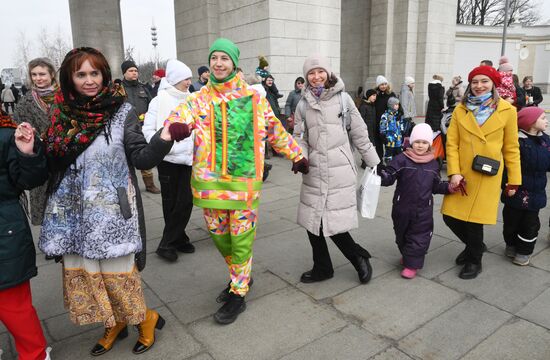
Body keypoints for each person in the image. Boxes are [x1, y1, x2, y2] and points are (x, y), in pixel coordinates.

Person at [38, 47, 188, 355]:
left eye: (95, 73)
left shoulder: (121, 111)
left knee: (119, 278)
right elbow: (50, 165)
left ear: (105, 75)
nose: (89, 80)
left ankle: (145, 319)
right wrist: (29, 151)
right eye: (81, 74)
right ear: (70, 77)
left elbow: (141, 155)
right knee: (91, 278)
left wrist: (165, 137)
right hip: (74, 217)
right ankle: (114, 322)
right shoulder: (59, 113)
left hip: (114, 216)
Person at [165, 38, 306, 325]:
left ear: (234, 63)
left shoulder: (254, 98)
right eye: (214, 57)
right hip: (208, 185)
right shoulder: (197, 98)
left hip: (243, 186)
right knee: (220, 239)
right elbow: (178, 116)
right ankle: (239, 276)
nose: (218, 63)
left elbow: (275, 130)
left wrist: (296, 155)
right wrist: (176, 126)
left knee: (241, 241)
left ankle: (239, 291)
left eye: (224, 58)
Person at [294, 54, 380, 285]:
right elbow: (299, 136)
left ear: (328, 73)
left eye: (320, 71)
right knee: (313, 222)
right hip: (313, 170)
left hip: (339, 169)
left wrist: (373, 161)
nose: (316, 76)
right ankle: (322, 268)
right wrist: (299, 157)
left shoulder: (344, 100)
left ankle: (358, 257)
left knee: (334, 223)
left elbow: (359, 132)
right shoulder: (302, 103)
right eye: (311, 73)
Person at [442, 65, 521, 280]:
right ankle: (475, 246)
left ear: (493, 84)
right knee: (450, 216)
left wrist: (514, 181)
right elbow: (452, 144)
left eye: (484, 81)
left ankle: (474, 260)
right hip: (464, 174)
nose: (479, 86)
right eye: (475, 82)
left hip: (489, 174)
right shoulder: (461, 109)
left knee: (474, 221)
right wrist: (454, 172)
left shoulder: (508, 111)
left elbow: (512, 148)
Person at [0, 117, 51, 360]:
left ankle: (34, 354)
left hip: (4, 228)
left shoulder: (7, 135)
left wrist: (27, 154)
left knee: (12, 302)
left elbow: (31, 180)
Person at [379, 123, 455, 279]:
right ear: (411, 142)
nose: (420, 145)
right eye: (418, 141)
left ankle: (412, 264)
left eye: (424, 142)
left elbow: (436, 185)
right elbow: (390, 175)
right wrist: (381, 176)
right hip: (402, 208)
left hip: (423, 211)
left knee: (419, 236)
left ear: (429, 144)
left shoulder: (433, 164)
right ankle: (407, 255)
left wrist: (449, 188)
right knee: (402, 235)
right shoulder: (401, 160)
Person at [143, 59, 195, 262]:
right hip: (168, 159)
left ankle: (174, 239)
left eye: (190, 78)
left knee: (186, 202)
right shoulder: (159, 100)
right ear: (175, 79)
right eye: (186, 78)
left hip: (190, 159)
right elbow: (147, 130)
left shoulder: (192, 99)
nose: (189, 82)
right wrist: (162, 144)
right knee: (171, 203)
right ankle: (171, 242)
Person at [13, 57, 58, 226]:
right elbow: (18, 125)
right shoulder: (26, 101)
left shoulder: (65, 97)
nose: (38, 78)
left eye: (42, 74)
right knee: (46, 208)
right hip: (40, 161)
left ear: (52, 74)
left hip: (65, 158)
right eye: (34, 74)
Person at [501, 107, 549, 266]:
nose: (547, 121)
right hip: (515, 191)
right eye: (543, 118)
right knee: (510, 222)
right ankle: (511, 244)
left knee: (530, 224)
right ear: (531, 122)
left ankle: (524, 251)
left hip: (536, 192)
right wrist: (506, 184)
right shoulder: (516, 140)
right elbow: (506, 165)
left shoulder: (546, 141)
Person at [120, 59, 161, 194]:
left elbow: (152, 105)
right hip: (124, 128)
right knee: (125, 157)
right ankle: (127, 186)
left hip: (142, 127)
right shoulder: (118, 89)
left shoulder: (144, 88)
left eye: (136, 70)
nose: (134, 73)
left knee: (144, 153)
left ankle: (149, 184)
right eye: (131, 71)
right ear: (124, 73)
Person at [373, 75, 397, 159]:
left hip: (389, 123)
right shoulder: (375, 95)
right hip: (378, 122)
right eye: (381, 84)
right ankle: (379, 161)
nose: (383, 86)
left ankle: (389, 160)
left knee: (389, 142)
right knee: (378, 143)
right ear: (378, 85)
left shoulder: (391, 94)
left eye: (385, 84)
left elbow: (397, 106)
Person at [380, 97, 405, 163]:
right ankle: (389, 167)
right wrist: (383, 135)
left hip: (398, 139)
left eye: (398, 105)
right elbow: (383, 126)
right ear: (391, 105)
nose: (397, 106)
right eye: (396, 105)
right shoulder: (386, 115)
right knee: (389, 155)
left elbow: (401, 124)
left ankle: (397, 167)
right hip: (390, 139)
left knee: (398, 154)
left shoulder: (399, 115)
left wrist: (402, 132)